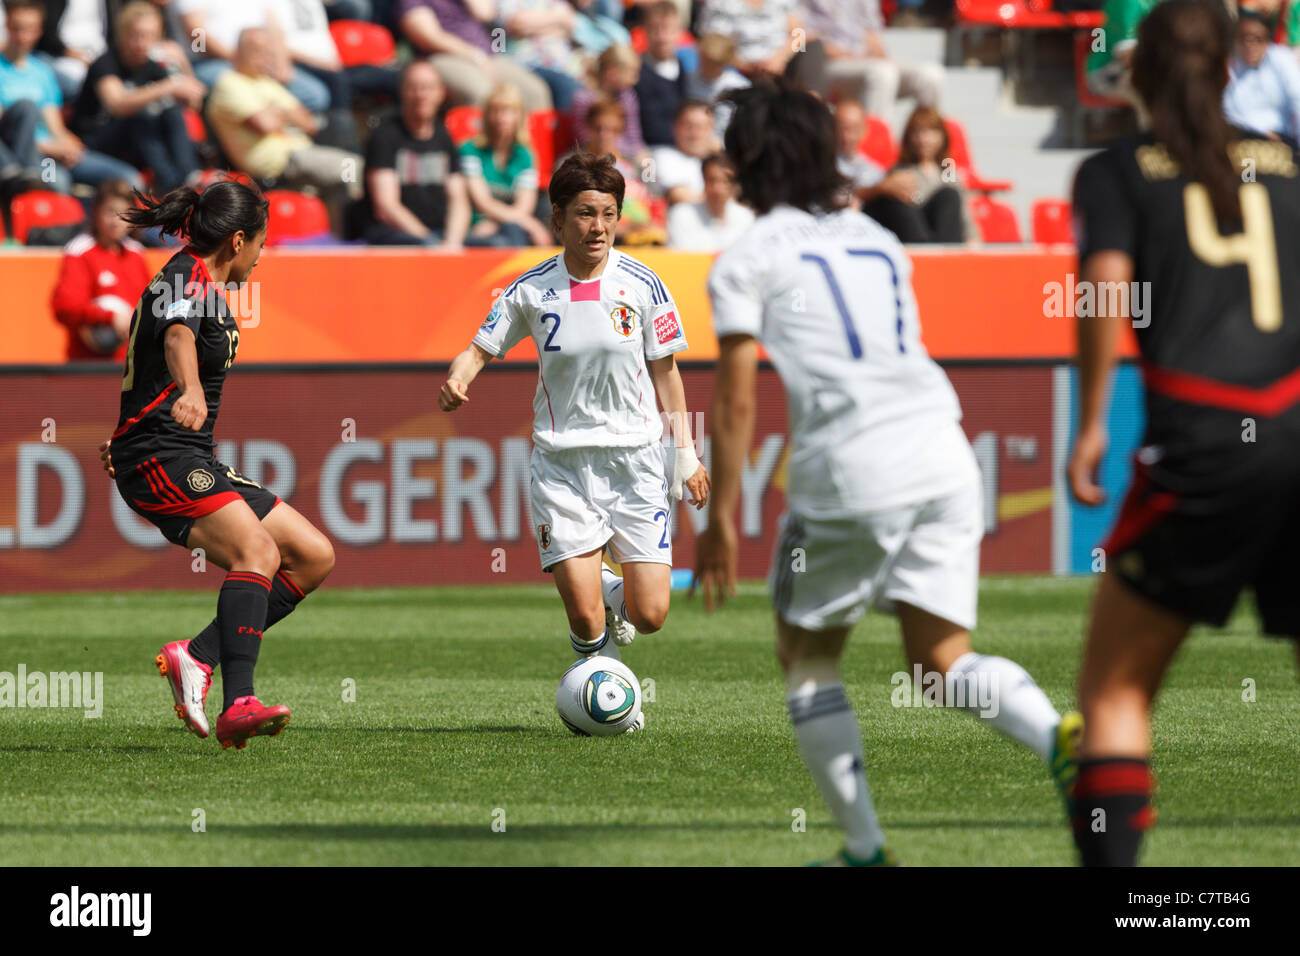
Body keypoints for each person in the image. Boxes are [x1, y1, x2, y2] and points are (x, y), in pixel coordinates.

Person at [693, 78, 1079, 866]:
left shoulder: (744, 261)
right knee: (941, 661)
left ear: (748, 163)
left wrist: (719, 520)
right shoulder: (879, 238)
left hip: (851, 465)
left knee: (806, 657)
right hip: (943, 449)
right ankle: (1061, 736)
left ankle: (865, 849)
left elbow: (734, 407)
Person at [1068, 0, 1300, 867]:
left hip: (1203, 439)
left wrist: (1091, 422)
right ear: (1232, 68)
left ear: (1139, 73)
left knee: (1116, 693)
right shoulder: (1290, 163)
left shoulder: (1117, 170)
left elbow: (1102, 293)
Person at [439, 151, 711, 730]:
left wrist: (685, 453)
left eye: (609, 214)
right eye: (585, 214)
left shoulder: (643, 283)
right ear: (558, 219)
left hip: (635, 461)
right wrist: (459, 378)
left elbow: (667, 371)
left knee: (653, 613)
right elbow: (481, 347)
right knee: (586, 622)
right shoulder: (530, 289)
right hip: (561, 465)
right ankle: (611, 703)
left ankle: (618, 595)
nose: (599, 227)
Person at [98, 179, 335, 750]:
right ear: (236, 241)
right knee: (257, 552)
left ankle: (197, 656)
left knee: (312, 557)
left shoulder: (194, 279)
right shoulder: (187, 278)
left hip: (183, 453)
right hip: (161, 456)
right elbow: (177, 335)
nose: (262, 255)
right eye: (260, 243)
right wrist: (189, 390)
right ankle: (239, 704)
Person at [0, 0, 144, 193]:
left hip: (53, 153)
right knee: (59, 181)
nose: (23, 36)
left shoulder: (42, 71)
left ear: (39, 31)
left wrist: (69, 146)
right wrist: (51, 148)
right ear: (7, 26)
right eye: (18, 28)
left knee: (129, 179)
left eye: (30, 29)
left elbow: (55, 126)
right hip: (26, 156)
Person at [206, 27, 363, 202]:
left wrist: (276, 112)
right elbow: (265, 124)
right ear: (240, 51)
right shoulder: (229, 83)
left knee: (346, 180)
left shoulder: (267, 82)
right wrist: (287, 114)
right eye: (256, 50)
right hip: (279, 163)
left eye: (267, 52)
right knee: (352, 168)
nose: (263, 57)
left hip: (302, 152)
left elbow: (310, 124)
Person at [71, 2, 204, 195]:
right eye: (136, 35)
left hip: (136, 148)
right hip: (95, 147)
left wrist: (182, 64)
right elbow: (117, 104)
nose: (142, 43)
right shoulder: (106, 63)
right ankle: (170, 185)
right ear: (122, 35)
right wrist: (168, 86)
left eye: (150, 36)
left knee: (172, 112)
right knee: (141, 115)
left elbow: (194, 103)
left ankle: (190, 176)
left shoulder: (154, 67)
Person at [361, 60, 470, 246]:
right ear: (402, 91)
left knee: (496, 243)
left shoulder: (444, 137)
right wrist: (430, 242)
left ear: (441, 93)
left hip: (440, 235)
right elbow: (386, 207)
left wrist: (453, 242)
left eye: (428, 88)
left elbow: (459, 200)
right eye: (414, 88)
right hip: (395, 234)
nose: (421, 95)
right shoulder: (385, 136)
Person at [51, 178, 152, 361]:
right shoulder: (80, 252)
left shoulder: (136, 253)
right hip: (90, 365)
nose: (117, 221)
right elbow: (64, 306)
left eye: (125, 213)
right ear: (96, 212)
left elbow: (150, 306)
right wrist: (107, 317)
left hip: (131, 364)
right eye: (110, 212)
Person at [175, 0, 333, 113]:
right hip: (212, 63)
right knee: (245, 97)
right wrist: (239, 60)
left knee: (315, 95)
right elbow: (196, 34)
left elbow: (274, 29)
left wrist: (281, 63)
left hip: (259, 63)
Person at [395, 0, 554, 111]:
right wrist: (475, 56)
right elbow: (427, 36)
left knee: (535, 91)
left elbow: (486, 14)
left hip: (489, 56)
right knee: (480, 92)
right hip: (443, 57)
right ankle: (481, 155)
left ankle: (531, 156)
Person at [797, 0, 944, 118]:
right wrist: (845, 55)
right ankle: (876, 145)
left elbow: (873, 33)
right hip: (825, 64)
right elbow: (800, 34)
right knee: (882, 73)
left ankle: (924, 147)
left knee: (930, 75)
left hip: (863, 61)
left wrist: (880, 55)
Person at [459, 83, 554, 246]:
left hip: (508, 226)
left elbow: (524, 206)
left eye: (508, 111)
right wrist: (531, 224)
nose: (501, 118)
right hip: (475, 227)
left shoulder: (525, 155)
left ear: (519, 116)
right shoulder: (470, 150)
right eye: (495, 110)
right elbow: (482, 202)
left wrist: (498, 223)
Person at [871, 105, 975, 244]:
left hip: (945, 240)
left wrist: (973, 241)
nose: (923, 139)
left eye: (931, 131)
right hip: (916, 238)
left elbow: (964, 217)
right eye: (917, 132)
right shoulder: (900, 172)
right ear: (909, 137)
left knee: (950, 196)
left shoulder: (948, 172)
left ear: (942, 136)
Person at [1223, 3, 1300, 146]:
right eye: (1244, 39)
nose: (1250, 45)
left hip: (1278, 141)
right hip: (1238, 139)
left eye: (1257, 39)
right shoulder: (1231, 64)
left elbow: (1297, 100)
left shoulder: (1281, 59)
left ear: (1267, 41)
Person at [569, 45, 648, 164]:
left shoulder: (628, 97)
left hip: (624, 154)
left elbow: (634, 136)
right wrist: (612, 148)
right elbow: (583, 138)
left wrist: (640, 154)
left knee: (648, 164)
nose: (635, 80)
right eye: (631, 73)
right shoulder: (583, 99)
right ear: (612, 72)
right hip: (592, 155)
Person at [665, 150, 754, 250]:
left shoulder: (746, 218)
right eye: (712, 180)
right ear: (703, 180)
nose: (718, 189)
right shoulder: (681, 215)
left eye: (725, 181)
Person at [634, 0, 693, 147]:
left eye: (667, 29)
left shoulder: (684, 68)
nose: (661, 37)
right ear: (645, 30)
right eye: (654, 29)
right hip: (653, 148)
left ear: (679, 32)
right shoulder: (636, 71)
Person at [648, 99, 719, 206]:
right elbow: (679, 196)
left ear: (711, 130)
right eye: (689, 126)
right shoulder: (661, 156)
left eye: (701, 127)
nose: (695, 133)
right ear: (674, 127)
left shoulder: (721, 161)